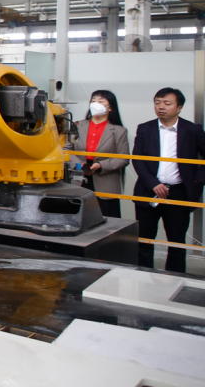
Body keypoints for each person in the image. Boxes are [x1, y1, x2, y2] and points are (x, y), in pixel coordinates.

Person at [131, 87, 205, 273]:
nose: (161, 107)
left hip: (179, 193)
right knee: (144, 240)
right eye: (157, 102)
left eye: (167, 103)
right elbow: (137, 159)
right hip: (149, 191)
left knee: (176, 242)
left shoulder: (192, 130)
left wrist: (197, 182)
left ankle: (175, 277)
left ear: (179, 108)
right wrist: (153, 183)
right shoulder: (145, 128)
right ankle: (143, 275)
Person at [65, 90, 129, 218]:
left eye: (101, 101)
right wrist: (79, 164)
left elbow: (123, 159)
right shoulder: (78, 125)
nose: (95, 104)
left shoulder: (119, 131)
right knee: (77, 217)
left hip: (106, 182)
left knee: (107, 218)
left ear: (110, 108)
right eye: (93, 100)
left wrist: (100, 165)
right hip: (79, 177)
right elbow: (66, 149)